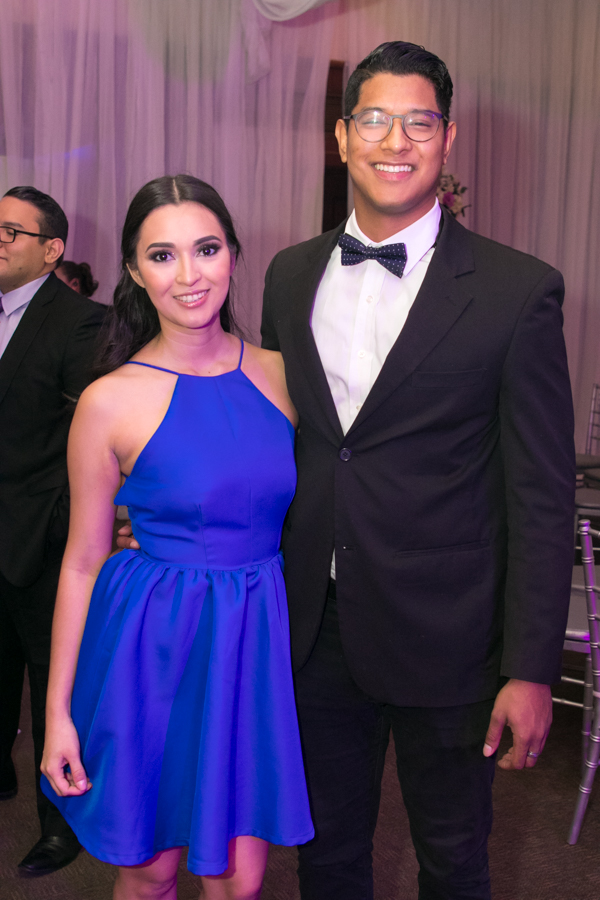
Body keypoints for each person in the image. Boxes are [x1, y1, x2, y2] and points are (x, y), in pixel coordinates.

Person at [259, 42, 575, 899]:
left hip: (453, 637)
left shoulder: (518, 290)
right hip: (315, 627)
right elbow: (284, 444)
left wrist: (531, 668)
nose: (394, 140)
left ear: (448, 138)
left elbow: (541, 498)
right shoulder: (288, 275)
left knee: (454, 859)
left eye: (419, 122)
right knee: (324, 857)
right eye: (373, 118)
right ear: (340, 137)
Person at [41, 175, 313, 900]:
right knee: (151, 869)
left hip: (251, 639)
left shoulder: (284, 376)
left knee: (240, 881)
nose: (189, 275)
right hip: (150, 645)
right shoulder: (107, 400)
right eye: (162, 256)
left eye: (207, 249)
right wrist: (57, 714)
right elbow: (81, 563)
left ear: (234, 254)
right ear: (135, 270)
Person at [0, 186, 105, 876]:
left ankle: (59, 826)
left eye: (11, 230)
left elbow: (88, 444)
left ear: (51, 249)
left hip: (43, 536)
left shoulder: (83, 323)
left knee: (52, 683)